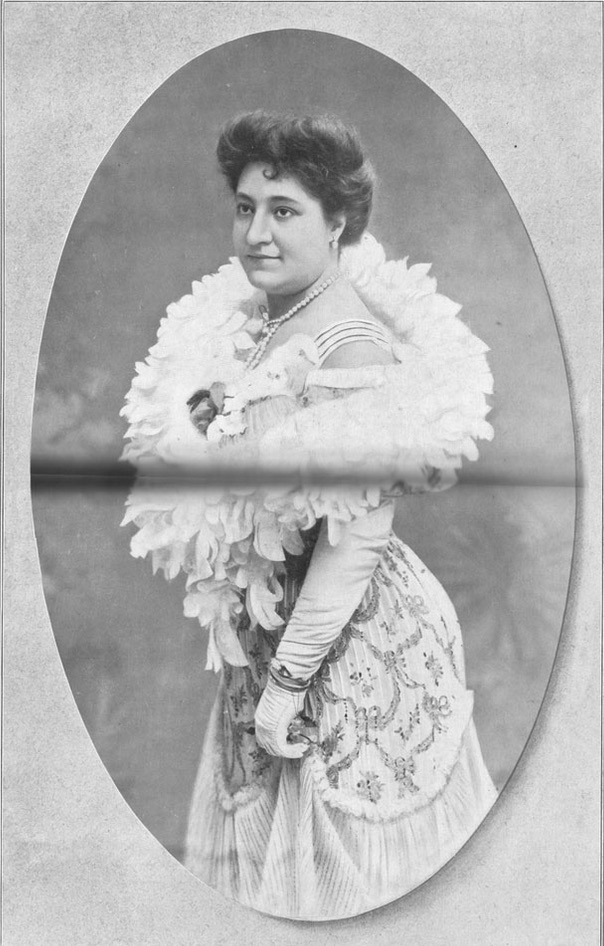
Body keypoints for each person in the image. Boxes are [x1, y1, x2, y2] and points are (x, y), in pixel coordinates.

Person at [120, 111, 497, 920]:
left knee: (355, 890)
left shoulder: (351, 345)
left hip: (347, 636)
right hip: (271, 626)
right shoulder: (265, 322)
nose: (257, 232)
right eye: (245, 208)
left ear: (337, 223)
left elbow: (354, 542)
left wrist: (286, 685)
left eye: (284, 210)